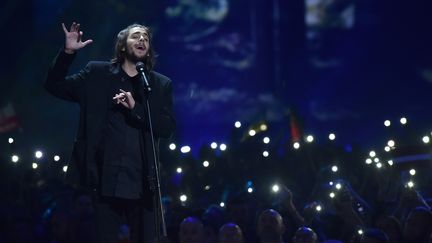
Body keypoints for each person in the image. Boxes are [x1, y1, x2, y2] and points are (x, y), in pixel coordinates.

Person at [45, 22, 176, 243]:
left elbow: (167, 128)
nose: (142, 40)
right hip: (104, 181)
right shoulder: (97, 74)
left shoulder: (159, 84)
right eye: (136, 36)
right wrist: (67, 53)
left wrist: (136, 109)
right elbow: (54, 85)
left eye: (145, 37)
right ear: (122, 46)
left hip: (143, 184)